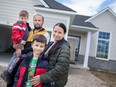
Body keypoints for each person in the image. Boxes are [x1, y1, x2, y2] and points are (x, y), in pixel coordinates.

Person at [30, 23, 70, 87]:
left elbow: (61, 69)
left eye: (59, 32)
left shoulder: (64, 48)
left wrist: (42, 78)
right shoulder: (51, 43)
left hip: (53, 82)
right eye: (55, 31)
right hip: (46, 79)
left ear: (64, 34)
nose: (56, 34)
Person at [1, 10, 31, 84]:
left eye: (25, 18)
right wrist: (20, 40)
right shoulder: (17, 24)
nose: (23, 20)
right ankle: (9, 71)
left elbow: (27, 32)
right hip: (19, 42)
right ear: (19, 17)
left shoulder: (25, 25)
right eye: (22, 18)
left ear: (27, 18)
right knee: (17, 57)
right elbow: (15, 34)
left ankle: (8, 71)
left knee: (15, 56)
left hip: (22, 43)